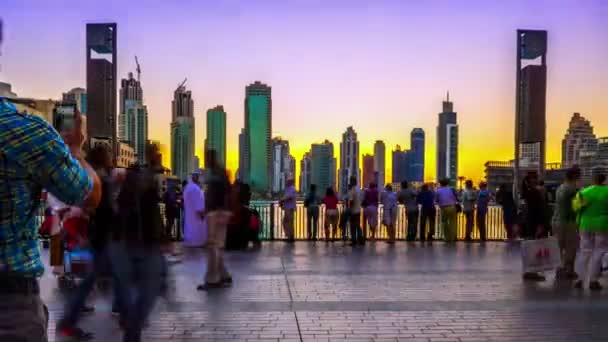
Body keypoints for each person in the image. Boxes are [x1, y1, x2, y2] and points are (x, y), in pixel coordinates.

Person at [0, 98, 101, 342]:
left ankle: (64, 275)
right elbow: (88, 194)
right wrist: (74, 149)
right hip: (9, 304)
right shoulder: (24, 130)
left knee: (64, 253)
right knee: (68, 254)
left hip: (59, 222)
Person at [57, 145, 119, 340]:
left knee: (101, 277)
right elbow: (106, 209)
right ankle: (67, 322)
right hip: (103, 237)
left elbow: (90, 207)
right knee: (91, 280)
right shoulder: (102, 179)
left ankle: (123, 310)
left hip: (98, 235)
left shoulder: (94, 177)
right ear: (104, 157)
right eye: (109, 154)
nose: (112, 157)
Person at [110, 143, 166, 342]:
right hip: (136, 244)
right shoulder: (139, 178)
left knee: (140, 290)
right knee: (145, 290)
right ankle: (131, 325)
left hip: (136, 243)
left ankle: (130, 324)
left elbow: (152, 213)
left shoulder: (145, 178)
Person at [199, 149, 232, 290]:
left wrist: (213, 210)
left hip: (216, 212)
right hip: (220, 211)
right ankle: (224, 274)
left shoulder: (215, 174)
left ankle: (213, 279)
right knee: (216, 245)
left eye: (206, 158)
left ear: (210, 159)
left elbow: (216, 194)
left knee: (212, 246)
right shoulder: (220, 172)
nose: (205, 161)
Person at [573, 172, 608, 291]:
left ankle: (580, 279)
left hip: (585, 224)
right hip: (602, 225)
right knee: (599, 252)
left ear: (593, 180)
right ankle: (593, 280)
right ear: (604, 180)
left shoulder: (583, 192)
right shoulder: (607, 192)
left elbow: (576, 208)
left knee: (584, 251)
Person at [552, 167, 581, 280]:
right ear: (574, 177)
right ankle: (568, 270)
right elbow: (579, 206)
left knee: (559, 247)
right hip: (568, 223)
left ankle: (559, 269)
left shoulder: (560, 188)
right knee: (570, 247)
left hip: (556, 221)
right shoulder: (573, 190)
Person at [521, 172, 548, 281]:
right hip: (534, 223)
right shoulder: (534, 193)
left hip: (529, 223)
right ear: (531, 180)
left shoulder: (527, 192)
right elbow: (538, 210)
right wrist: (541, 224)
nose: (537, 179)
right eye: (535, 178)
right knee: (534, 248)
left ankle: (528, 271)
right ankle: (532, 272)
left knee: (530, 247)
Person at [182, 173, 207, 248]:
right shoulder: (196, 189)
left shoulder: (187, 188)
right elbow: (199, 209)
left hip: (189, 233)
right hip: (197, 235)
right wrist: (204, 216)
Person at [348, 177, 364, 245]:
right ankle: (361, 239)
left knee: (353, 226)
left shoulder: (352, 190)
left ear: (351, 182)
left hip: (353, 211)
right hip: (358, 210)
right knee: (357, 225)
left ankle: (354, 240)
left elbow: (351, 201)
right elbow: (362, 200)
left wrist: (349, 209)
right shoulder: (359, 190)